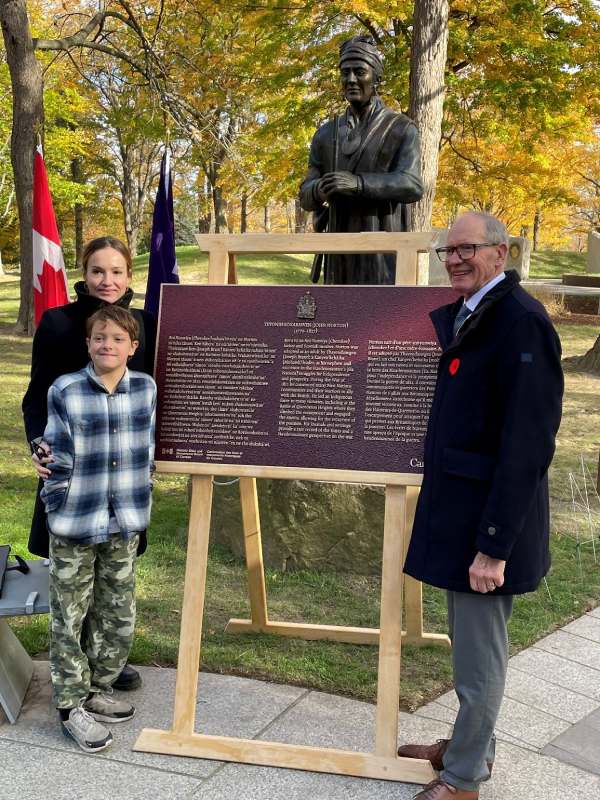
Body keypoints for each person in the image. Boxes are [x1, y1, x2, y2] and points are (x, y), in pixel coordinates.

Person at [400, 212, 563, 799]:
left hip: (487, 527)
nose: (455, 258)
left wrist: (494, 546)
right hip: (461, 513)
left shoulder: (521, 322)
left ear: (502, 252)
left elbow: (527, 444)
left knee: (478, 659)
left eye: (468, 248)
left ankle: (464, 779)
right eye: (449, 249)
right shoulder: (479, 313)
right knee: (471, 649)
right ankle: (470, 747)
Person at [22, 235, 156, 692]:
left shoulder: (146, 324)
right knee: (74, 573)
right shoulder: (58, 323)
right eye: (98, 270)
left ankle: (107, 662)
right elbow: (36, 395)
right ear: (84, 273)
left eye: (117, 271)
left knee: (115, 574)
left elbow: (155, 393)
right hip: (74, 472)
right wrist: (41, 449)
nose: (107, 280)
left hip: (119, 473)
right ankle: (75, 666)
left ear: (128, 276)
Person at [41, 305, 156, 753]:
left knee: (117, 610)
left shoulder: (145, 389)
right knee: (69, 614)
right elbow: (53, 449)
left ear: (133, 346)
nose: (107, 345)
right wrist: (55, 490)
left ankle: (97, 687)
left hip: (124, 518)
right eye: (99, 338)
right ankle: (70, 705)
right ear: (88, 344)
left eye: (117, 338)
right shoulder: (66, 389)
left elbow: (146, 446)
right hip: (76, 518)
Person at [299, 35, 423, 285]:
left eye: (359, 72)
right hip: (338, 255)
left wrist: (358, 184)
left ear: (376, 78)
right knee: (336, 319)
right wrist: (319, 190)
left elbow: (412, 184)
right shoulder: (325, 134)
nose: (351, 80)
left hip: (382, 253)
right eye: (345, 73)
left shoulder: (401, 129)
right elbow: (305, 194)